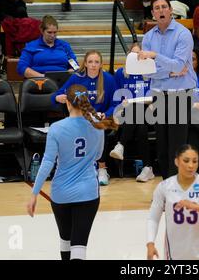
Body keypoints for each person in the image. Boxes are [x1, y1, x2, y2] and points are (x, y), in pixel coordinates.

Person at [26, 84, 118, 260]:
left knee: (65, 241)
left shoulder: (56, 128)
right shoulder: (97, 125)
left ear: (67, 103)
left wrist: (34, 193)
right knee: (79, 246)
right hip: (88, 193)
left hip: (61, 194)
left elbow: (47, 162)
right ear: (85, 101)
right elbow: (98, 156)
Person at [139, 0, 197, 179]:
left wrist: (155, 56)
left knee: (177, 146)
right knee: (162, 145)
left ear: (171, 10)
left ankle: (178, 188)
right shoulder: (148, 37)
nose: (161, 10)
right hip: (159, 93)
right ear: (153, 13)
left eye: (164, 6)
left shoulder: (183, 34)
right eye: (157, 8)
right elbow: (146, 73)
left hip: (180, 93)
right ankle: (167, 185)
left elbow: (180, 66)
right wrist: (168, 71)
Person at [146, 144, 199, 260]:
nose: (191, 165)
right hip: (173, 255)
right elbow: (153, 218)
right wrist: (150, 243)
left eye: (195, 161)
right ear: (176, 161)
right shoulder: (164, 186)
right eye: (186, 161)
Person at [52, 50, 117, 186]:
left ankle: (102, 168)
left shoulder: (109, 79)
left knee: (99, 126)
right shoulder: (77, 78)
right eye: (90, 62)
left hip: (102, 118)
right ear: (85, 64)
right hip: (81, 118)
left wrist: (107, 113)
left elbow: (115, 103)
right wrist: (59, 97)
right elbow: (57, 94)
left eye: (96, 62)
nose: (93, 65)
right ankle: (78, 169)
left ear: (101, 64)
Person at [109, 43, 155, 183]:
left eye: (140, 54)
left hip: (150, 112)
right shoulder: (121, 74)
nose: (137, 58)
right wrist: (121, 105)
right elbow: (116, 97)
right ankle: (148, 167)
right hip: (126, 112)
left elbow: (157, 95)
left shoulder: (151, 73)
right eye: (133, 55)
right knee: (139, 123)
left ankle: (121, 145)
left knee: (138, 110)